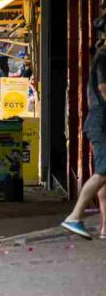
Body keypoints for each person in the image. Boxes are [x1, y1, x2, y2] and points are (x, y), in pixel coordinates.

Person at [61, 43, 106, 240]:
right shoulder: (104, 57)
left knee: (103, 174)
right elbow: (104, 89)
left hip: (97, 123)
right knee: (103, 172)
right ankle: (75, 216)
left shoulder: (100, 57)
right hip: (102, 123)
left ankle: (105, 227)